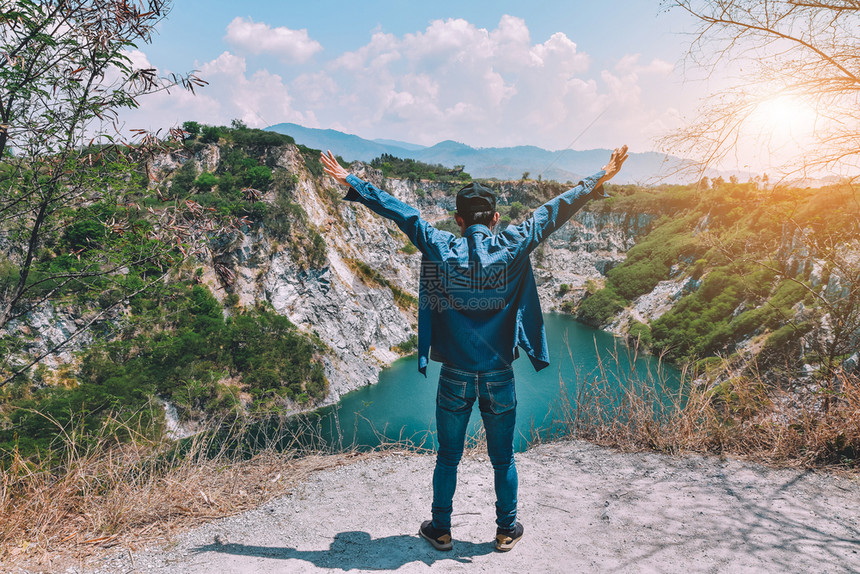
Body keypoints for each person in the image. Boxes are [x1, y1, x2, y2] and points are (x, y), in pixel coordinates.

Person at [320, 145, 628, 552]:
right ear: (496, 218)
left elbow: (401, 212)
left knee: (448, 457)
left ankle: (441, 529)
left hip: (456, 375)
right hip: (499, 372)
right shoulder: (514, 241)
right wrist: (600, 176)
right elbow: (552, 211)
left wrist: (351, 180)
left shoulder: (440, 244)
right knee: (504, 458)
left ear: (458, 220)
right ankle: (505, 530)